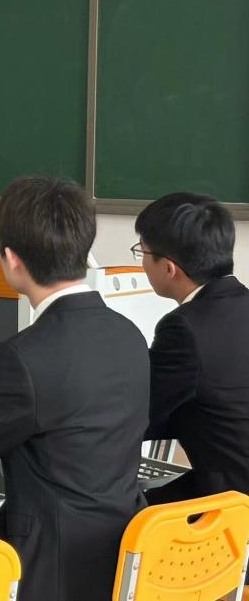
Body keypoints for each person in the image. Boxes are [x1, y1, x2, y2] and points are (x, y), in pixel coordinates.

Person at [0, 176, 149, 601]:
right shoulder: (128, 334)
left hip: (49, 564)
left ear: (11, 259)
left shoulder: (21, 357)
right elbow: (62, 426)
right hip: (120, 550)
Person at [134, 192, 249, 504]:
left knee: (121, 516)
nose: (141, 262)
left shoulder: (184, 328)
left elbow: (142, 413)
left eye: (142, 252)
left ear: (169, 268)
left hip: (233, 500)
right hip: (233, 478)